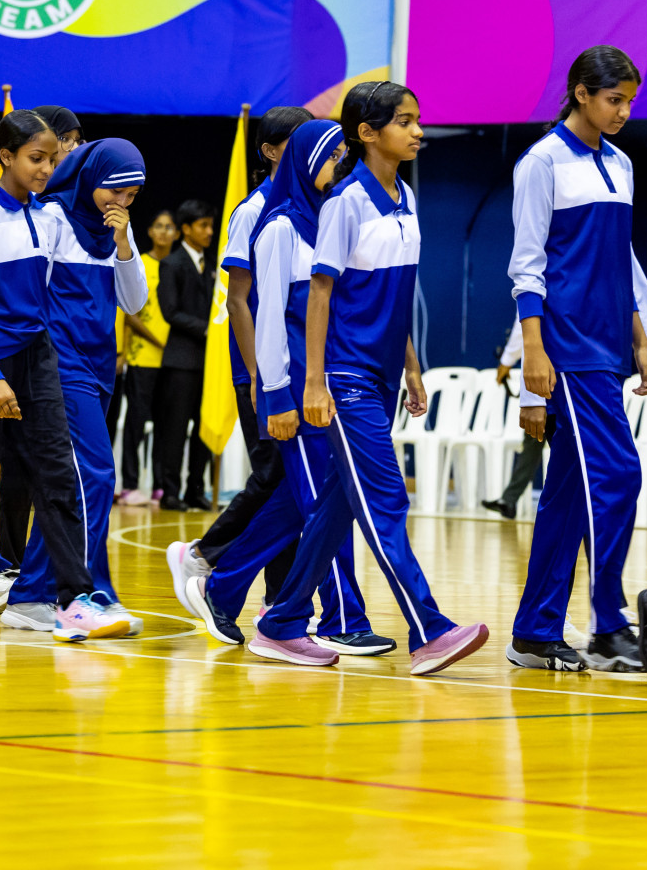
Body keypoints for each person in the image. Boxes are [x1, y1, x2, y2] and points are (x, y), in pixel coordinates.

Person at [250, 80, 488, 675]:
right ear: (366, 133)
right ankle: (429, 628)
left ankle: (280, 623)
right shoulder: (345, 202)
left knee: (338, 506)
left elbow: (393, 295)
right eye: (405, 122)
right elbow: (322, 295)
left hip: (382, 378)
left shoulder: (405, 197)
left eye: (416, 120)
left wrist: (410, 366)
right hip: (346, 378)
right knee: (386, 500)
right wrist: (312, 383)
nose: (418, 131)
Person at [0, 110, 127, 642]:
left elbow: (56, 289)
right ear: (6, 157)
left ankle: (72, 599)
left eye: (53, 159)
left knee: (58, 477)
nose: (46, 168)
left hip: (39, 359)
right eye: (36, 158)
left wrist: (119, 238)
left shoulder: (50, 217)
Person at [181, 119, 387, 655]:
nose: (339, 164)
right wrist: (265, 387)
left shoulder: (331, 216)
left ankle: (221, 586)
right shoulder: (269, 221)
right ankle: (340, 616)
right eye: (331, 154)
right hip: (287, 383)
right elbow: (253, 308)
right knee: (320, 499)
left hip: (327, 379)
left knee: (304, 501)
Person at [507, 46, 647, 673]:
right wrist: (533, 357)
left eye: (628, 100)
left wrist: (643, 339)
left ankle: (535, 631)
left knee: (569, 494)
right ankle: (607, 624)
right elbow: (527, 265)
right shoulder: (540, 162)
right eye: (612, 99)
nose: (622, 111)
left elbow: (618, 262)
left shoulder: (620, 164)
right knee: (618, 476)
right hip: (566, 348)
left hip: (608, 345)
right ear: (579, 92)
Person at [1, 138, 149, 635]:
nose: (121, 202)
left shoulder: (116, 232)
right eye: (115, 189)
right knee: (97, 475)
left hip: (101, 365)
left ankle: (30, 595)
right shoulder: (50, 219)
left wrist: (125, 246)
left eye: (131, 194)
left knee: (70, 483)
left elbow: (133, 303)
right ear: (90, 176)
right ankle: (81, 592)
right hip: (59, 365)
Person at [168, 107, 312, 601]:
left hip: (298, 367)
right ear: (270, 151)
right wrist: (255, 374)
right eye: (297, 140)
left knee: (291, 480)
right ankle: (206, 556)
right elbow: (237, 300)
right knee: (276, 473)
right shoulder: (253, 210)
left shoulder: (317, 205)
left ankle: (278, 598)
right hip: (258, 369)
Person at [155, 198, 216, 510]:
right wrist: (206, 328)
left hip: (209, 361)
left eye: (211, 225)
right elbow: (170, 312)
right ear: (187, 229)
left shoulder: (213, 265)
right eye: (203, 225)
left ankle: (196, 488)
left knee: (204, 427)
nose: (209, 231)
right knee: (175, 428)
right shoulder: (172, 263)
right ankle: (170, 492)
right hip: (180, 360)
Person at [117, 209, 176, 505]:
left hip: (170, 362)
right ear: (150, 232)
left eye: (170, 227)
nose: (164, 232)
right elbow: (130, 314)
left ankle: (158, 485)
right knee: (135, 424)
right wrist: (159, 341)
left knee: (165, 425)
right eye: (159, 226)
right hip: (143, 359)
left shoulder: (176, 267)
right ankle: (128, 485)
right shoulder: (142, 264)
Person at [479, 318, 549, 520]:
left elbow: (524, 328)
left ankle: (589, 506)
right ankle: (509, 500)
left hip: (551, 377)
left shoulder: (532, 286)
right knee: (533, 442)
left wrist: (506, 361)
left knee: (565, 451)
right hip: (552, 378)